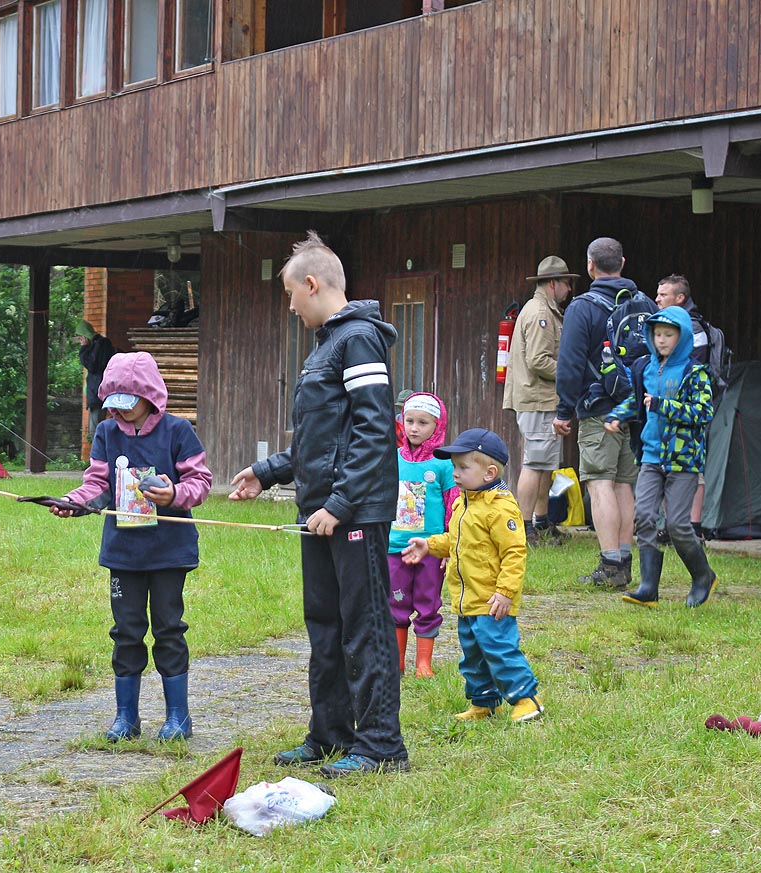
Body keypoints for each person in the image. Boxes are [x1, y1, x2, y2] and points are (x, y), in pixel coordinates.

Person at [229, 231, 408, 779]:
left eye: (289, 293)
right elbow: (321, 442)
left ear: (311, 284)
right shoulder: (326, 346)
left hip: (352, 514)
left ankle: (381, 747)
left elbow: (376, 429)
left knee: (365, 625)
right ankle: (330, 734)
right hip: (321, 514)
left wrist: (342, 502)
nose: (289, 305)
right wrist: (266, 472)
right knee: (325, 624)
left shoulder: (359, 340)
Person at [52, 351, 212, 741]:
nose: (120, 413)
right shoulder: (106, 434)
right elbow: (97, 484)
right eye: (114, 405)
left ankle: (178, 718)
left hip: (169, 552)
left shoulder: (177, 431)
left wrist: (174, 493)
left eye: (129, 404)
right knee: (126, 631)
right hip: (124, 553)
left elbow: (201, 482)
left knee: (169, 629)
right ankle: (127, 718)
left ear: (150, 396)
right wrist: (76, 503)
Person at [401, 429, 544, 723]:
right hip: (467, 600)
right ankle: (484, 702)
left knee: (498, 649)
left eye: (463, 467)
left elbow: (514, 554)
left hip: (492, 600)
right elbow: (455, 539)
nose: (455, 473)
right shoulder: (464, 502)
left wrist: (505, 592)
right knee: (473, 656)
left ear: (489, 472)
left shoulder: (500, 507)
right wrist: (429, 545)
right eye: (454, 467)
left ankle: (527, 698)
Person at [553, 237, 656, 589]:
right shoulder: (643, 302)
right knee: (625, 484)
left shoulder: (583, 307)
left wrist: (564, 410)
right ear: (623, 263)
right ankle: (625, 560)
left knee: (600, 482)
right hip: (637, 408)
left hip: (599, 409)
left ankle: (610, 564)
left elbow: (569, 364)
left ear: (590, 266)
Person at [603, 307, 717, 607]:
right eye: (657, 334)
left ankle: (703, 576)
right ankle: (648, 588)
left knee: (678, 526)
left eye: (669, 334)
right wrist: (617, 415)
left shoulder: (695, 372)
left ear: (683, 337)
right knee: (644, 518)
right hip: (652, 457)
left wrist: (663, 406)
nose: (662, 340)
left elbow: (703, 412)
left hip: (683, 461)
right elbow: (637, 400)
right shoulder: (645, 368)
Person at [504, 256, 577, 547]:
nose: (570, 288)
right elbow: (538, 361)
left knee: (546, 463)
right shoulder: (540, 314)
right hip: (536, 399)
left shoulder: (544, 310)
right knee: (534, 463)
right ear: (552, 283)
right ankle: (523, 529)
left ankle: (542, 522)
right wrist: (572, 373)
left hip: (543, 400)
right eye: (566, 282)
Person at [387, 392, 457, 679]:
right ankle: (397, 661)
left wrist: (449, 545)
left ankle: (423, 663)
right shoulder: (391, 459)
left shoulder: (444, 463)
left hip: (430, 548)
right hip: (395, 547)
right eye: (410, 421)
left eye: (423, 423)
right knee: (395, 602)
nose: (414, 428)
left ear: (437, 426)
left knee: (428, 602)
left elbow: (453, 502)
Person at [654, 275, 718, 539]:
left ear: (680, 298)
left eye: (663, 295)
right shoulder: (664, 325)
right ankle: (672, 527)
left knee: (693, 467)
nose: (657, 299)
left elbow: (692, 370)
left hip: (690, 409)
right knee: (666, 463)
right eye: (657, 294)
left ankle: (693, 528)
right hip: (665, 408)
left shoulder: (693, 329)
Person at [75, 320, 116, 428]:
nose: (80, 342)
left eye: (80, 339)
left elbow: (91, 365)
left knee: (95, 428)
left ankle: (98, 445)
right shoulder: (98, 344)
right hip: (100, 389)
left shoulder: (101, 344)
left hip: (98, 390)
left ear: (84, 336)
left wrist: (84, 348)